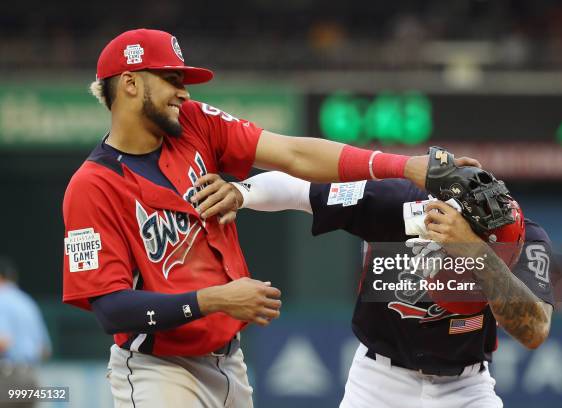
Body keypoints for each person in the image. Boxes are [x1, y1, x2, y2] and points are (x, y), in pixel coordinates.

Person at [62, 28, 480, 407]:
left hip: (229, 364)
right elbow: (112, 310)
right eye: (171, 79)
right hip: (158, 370)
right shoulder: (92, 187)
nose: (183, 92)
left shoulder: (194, 124)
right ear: (130, 83)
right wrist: (215, 299)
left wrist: (404, 167)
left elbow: (295, 154)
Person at [228, 170, 555, 408]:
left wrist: (476, 253)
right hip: (378, 382)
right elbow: (299, 192)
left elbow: (535, 330)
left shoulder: (526, 237)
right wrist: (240, 192)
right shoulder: (399, 205)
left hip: (467, 387)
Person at [0, 256, 52, 408]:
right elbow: (45, 350)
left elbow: (3, 342)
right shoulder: (28, 302)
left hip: (7, 378)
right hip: (30, 378)